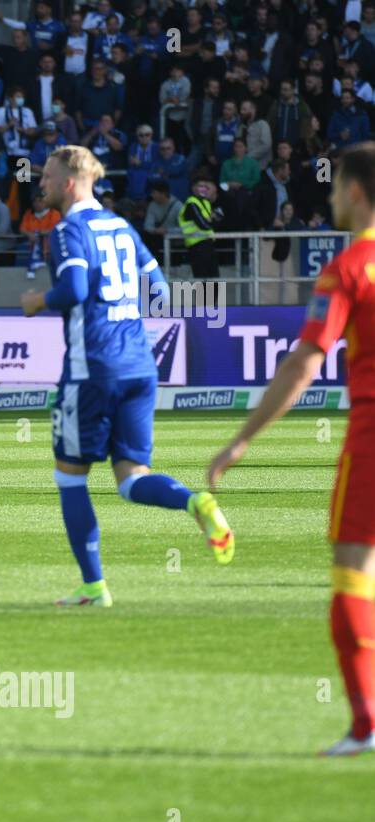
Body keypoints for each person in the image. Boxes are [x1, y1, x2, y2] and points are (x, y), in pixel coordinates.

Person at [208, 143, 375, 757]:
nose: (329, 199)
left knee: (353, 571)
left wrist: (240, 441)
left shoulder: (349, 268)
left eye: (334, 189)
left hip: (372, 439)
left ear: (355, 192)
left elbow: (306, 361)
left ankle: (365, 725)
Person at [18, 145, 233, 608]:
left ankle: (94, 586)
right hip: (139, 365)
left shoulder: (68, 230)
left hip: (91, 369)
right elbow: (160, 289)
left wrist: (37, 302)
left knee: (70, 478)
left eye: (48, 178)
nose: (41, 185)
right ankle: (196, 502)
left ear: (70, 183)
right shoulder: (122, 226)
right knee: (132, 479)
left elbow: (74, 289)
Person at [179, 172, 219, 277]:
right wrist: (211, 220)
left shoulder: (206, 203)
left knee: (214, 279)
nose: (203, 189)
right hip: (196, 246)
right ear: (193, 188)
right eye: (200, 186)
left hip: (208, 244)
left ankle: (215, 295)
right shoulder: (191, 203)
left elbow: (217, 222)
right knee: (203, 280)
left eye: (205, 186)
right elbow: (204, 224)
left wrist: (212, 221)